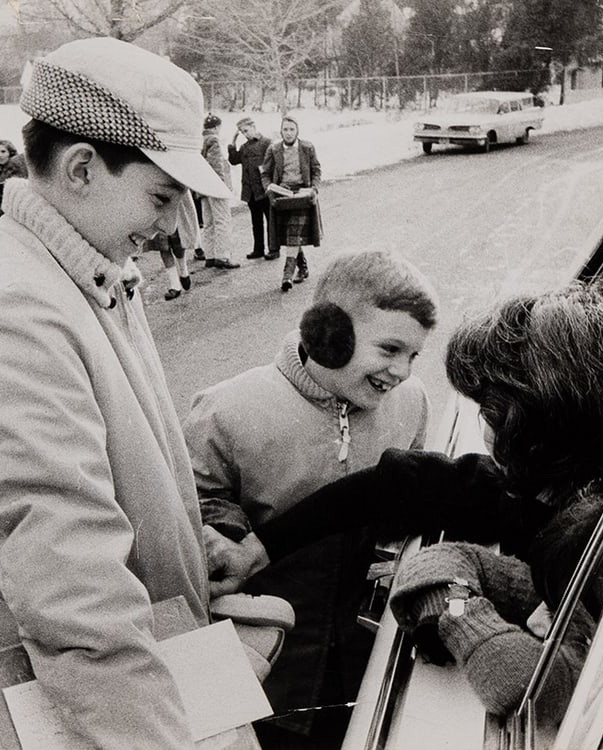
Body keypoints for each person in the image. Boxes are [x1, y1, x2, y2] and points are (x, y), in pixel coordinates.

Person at [0, 37, 234, 750]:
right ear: (83, 167)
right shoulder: (19, 313)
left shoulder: (81, 267)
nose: (170, 226)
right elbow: (72, 592)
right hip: (55, 700)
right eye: (162, 196)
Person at [214, 282, 603, 725]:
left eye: (491, 411)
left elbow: (514, 679)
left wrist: (454, 604)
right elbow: (392, 486)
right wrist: (257, 548)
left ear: (549, 427)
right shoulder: (531, 489)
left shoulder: (598, 552)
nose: (482, 425)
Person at [184, 249, 438, 748]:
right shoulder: (227, 410)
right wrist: (228, 531)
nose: (402, 371)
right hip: (260, 660)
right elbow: (196, 499)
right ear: (327, 333)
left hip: (357, 665)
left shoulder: (411, 403)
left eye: (413, 356)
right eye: (389, 349)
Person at [261, 116, 323, 292]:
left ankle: (286, 275)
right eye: (285, 129)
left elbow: (316, 170)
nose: (288, 133)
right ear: (281, 131)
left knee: (294, 233)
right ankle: (302, 268)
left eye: (292, 129)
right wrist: (270, 189)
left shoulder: (307, 148)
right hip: (282, 196)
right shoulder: (273, 149)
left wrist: (314, 189)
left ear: (297, 131)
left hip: (302, 196)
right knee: (290, 235)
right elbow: (265, 174)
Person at [227, 116, 272, 260]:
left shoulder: (267, 143)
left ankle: (273, 249)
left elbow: (274, 164)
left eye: (246, 130)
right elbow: (234, 160)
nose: (245, 134)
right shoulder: (244, 147)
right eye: (242, 132)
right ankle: (258, 249)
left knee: (271, 221)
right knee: (256, 222)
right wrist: (232, 142)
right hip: (250, 191)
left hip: (264, 190)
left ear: (254, 127)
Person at [200, 113, 239, 270]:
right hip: (215, 187)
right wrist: (222, 187)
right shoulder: (214, 140)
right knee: (222, 220)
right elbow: (216, 166)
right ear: (216, 127)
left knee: (208, 223)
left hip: (202, 188)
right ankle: (222, 256)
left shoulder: (201, 140)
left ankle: (209, 255)